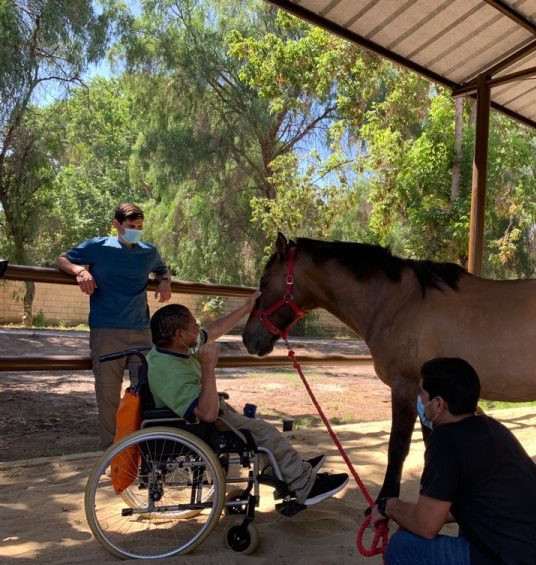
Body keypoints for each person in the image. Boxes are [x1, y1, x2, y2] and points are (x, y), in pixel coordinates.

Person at [370, 357, 536, 565]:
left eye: (422, 394)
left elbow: (426, 526)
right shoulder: (493, 429)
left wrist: (389, 506)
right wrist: (410, 515)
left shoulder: (445, 439)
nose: (419, 399)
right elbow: (461, 507)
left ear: (438, 404)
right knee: (459, 528)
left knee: (400, 549)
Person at [147, 298, 349, 507]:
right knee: (264, 431)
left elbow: (213, 331)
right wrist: (208, 367)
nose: (198, 327)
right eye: (193, 324)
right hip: (202, 422)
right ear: (180, 334)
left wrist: (245, 308)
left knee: (258, 428)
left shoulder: (174, 347)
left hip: (209, 410)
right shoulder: (170, 371)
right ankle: (304, 485)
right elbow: (207, 415)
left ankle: (287, 469)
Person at [56, 202, 172, 449]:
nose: (136, 231)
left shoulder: (148, 251)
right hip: (106, 332)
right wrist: (80, 271)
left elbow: (162, 269)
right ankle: (112, 454)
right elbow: (62, 259)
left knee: (146, 391)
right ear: (116, 225)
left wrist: (164, 281)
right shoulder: (98, 247)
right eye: (131, 226)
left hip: (141, 332)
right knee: (108, 396)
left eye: (140, 226)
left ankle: (143, 449)